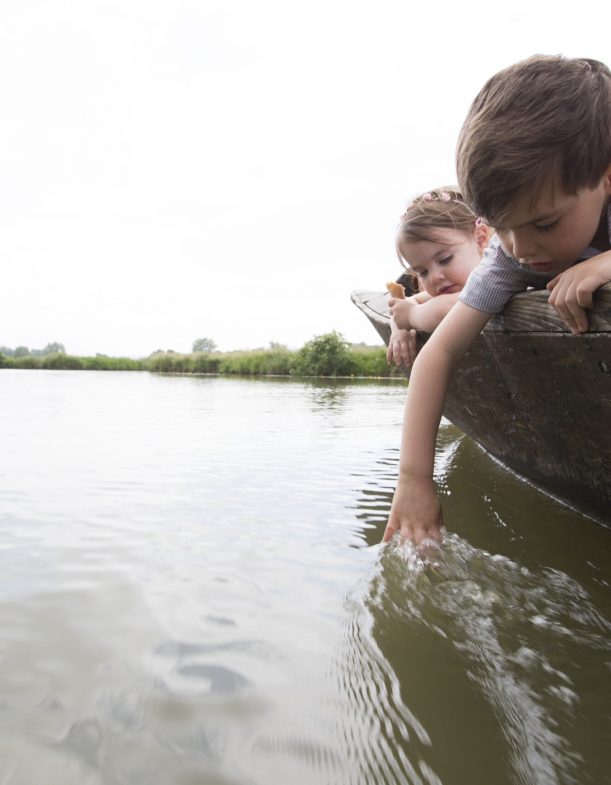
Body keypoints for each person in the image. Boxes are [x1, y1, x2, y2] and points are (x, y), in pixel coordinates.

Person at [384, 54, 611, 546]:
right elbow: (438, 354)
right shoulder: (508, 260)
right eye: (502, 228)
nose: (522, 247)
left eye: (544, 224)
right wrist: (414, 479)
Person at [388, 188, 490, 342]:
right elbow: (406, 304)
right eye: (422, 272)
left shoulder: (495, 278)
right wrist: (400, 329)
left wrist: (411, 316)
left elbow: (452, 307)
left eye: (445, 259)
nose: (434, 277)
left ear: (480, 240)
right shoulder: (451, 288)